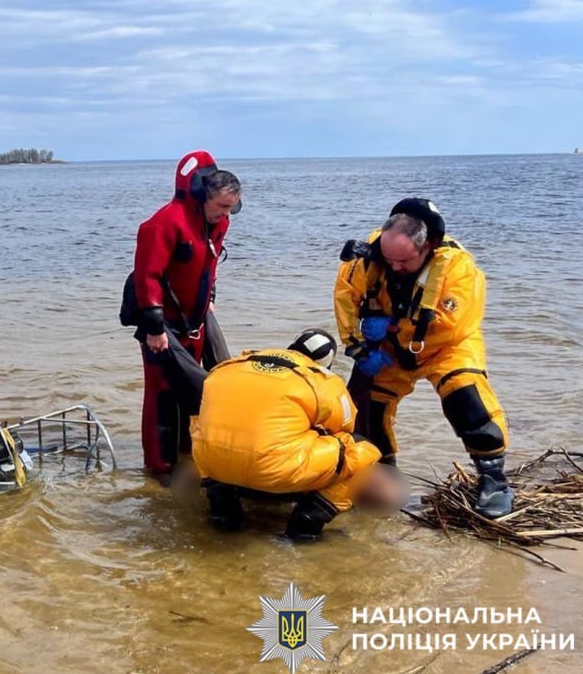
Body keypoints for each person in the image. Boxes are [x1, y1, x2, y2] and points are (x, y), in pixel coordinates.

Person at [334, 198, 513, 518]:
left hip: (446, 347)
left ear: (427, 246)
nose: (394, 266)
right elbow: (346, 298)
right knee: (369, 411)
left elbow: (451, 325)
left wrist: (389, 327)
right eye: (388, 259)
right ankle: (382, 474)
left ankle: (493, 478)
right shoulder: (368, 258)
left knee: (466, 399)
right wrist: (358, 343)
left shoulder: (457, 268)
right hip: (387, 351)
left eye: (403, 261)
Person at [191, 329, 393, 540]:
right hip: (273, 469)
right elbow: (346, 426)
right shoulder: (322, 379)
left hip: (211, 461)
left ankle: (221, 507)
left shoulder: (231, 365)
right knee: (362, 449)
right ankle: (309, 520)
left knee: (203, 427)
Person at [129, 151, 241, 480]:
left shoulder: (217, 223)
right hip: (160, 324)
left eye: (230, 208)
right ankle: (159, 467)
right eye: (221, 206)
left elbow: (209, 265)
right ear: (200, 194)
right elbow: (146, 277)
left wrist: (210, 299)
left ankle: (189, 454)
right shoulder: (163, 224)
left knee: (198, 390)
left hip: (196, 320)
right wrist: (153, 329)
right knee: (162, 392)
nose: (226, 214)